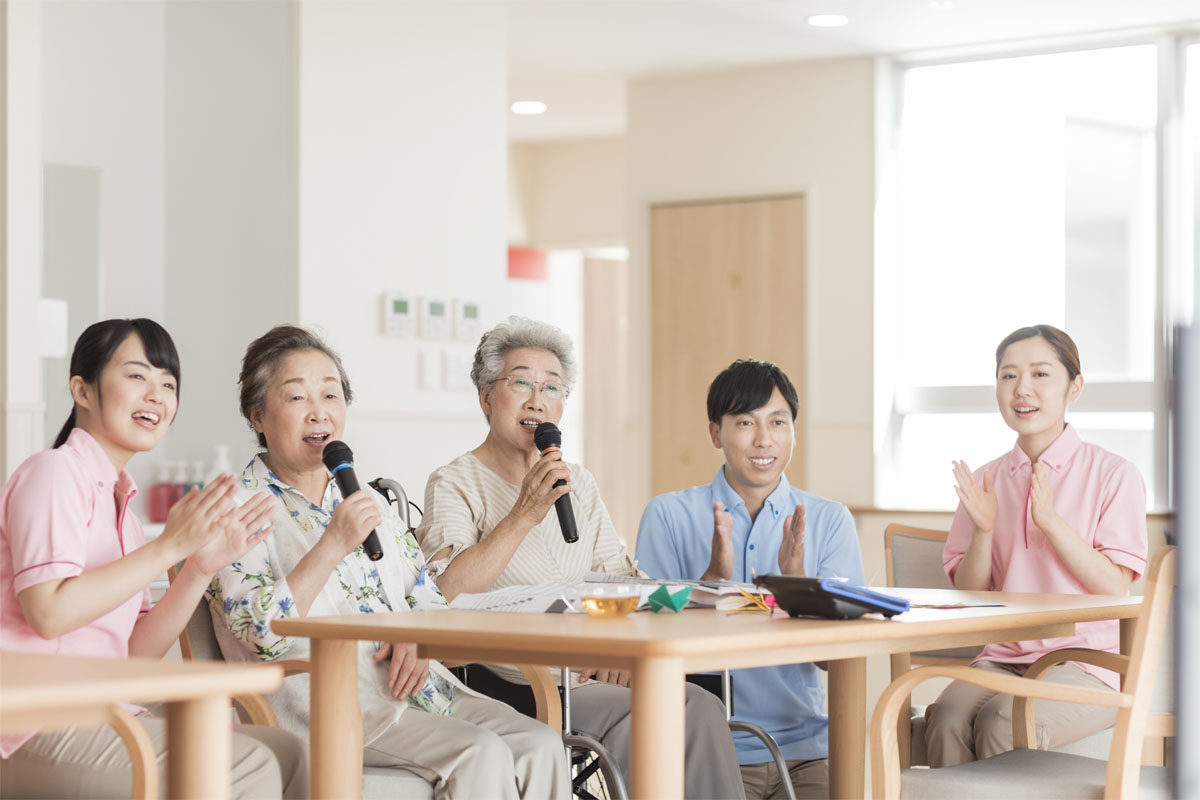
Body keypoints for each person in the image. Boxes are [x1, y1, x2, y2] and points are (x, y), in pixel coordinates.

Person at [206, 324, 569, 800]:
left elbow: (429, 599)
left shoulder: (366, 500)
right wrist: (332, 544)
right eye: (297, 398)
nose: (319, 412)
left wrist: (419, 639)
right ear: (257, 415)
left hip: (420, 693)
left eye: (332, 396)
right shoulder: (235, 509)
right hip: (326, 706)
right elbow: (260, 637)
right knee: (479, 751)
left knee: (540, 744)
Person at [415, 315, 746, 800]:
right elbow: (444, 593)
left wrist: (623, 648)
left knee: (699, 703)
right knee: (653, 715)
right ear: (486, 397)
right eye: (521, 382)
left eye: (553, 387)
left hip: (590, 673)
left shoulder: (580, 483)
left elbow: (620, 580)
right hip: (518, 685)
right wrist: (524, 514)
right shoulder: (455, 482)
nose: (538, 400)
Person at [0, 318, 306, 799]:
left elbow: (134, 656)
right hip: (32, 723)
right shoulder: (54, 473)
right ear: (82, 390)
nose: (157, 396)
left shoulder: (121, 504)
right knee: (243, 765)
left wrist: (198, 567)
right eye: (137, 376)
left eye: (168, 384)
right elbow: (48, 613)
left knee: (289, 751)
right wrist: (168, 547)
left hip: (105, 709)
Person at [635, 358, 865, 800]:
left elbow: (838, 660)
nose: (764, 439)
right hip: (703, 744)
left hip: (806, 748)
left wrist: (799, 586)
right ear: (716, 433)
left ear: (793, 431)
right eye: (745, 422)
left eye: (778, 422)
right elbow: (644, 638)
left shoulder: (828, 519)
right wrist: (711, 582)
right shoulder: (668, 514)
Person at [925, 324, 1149, 766]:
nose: (1022, 389)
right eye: (1008, 376)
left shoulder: (1115, 474)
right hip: (1003, 656)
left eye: (1040, 374)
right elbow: (970, 594)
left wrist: (1050, 522)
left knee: (1001, 721)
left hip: (1088, 663)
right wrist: (984, 530)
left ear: (1075, 387)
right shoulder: (985, 480)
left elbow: (1114, 587)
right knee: (947, 717)